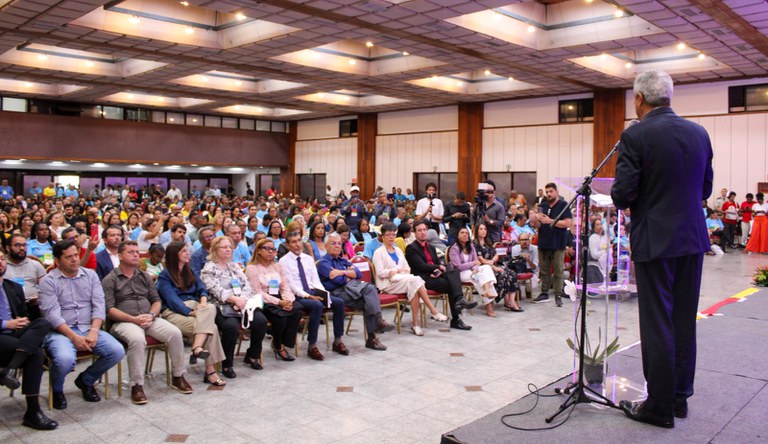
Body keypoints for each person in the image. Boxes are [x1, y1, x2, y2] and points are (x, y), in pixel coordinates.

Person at [611, 70, 713, 428]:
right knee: (683, 320)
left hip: (655, 240)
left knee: (657, 323)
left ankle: (658, 406)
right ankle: (679, 398)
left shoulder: (636, 134)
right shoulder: (699, 133)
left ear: (639, 98)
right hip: (692, 238)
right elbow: (706, 188)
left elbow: (623, 194)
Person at [38, 239, 126, 410]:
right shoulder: (49, 281)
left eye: (76, 255)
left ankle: (86, 380)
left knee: (117, 351)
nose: (74, 260)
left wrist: (94, 330)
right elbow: (52, 315)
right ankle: (57, 389)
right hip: (60, 331)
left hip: (87, 327)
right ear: (57, 261)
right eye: (68, 257)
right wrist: (73, 337)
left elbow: (99, 305)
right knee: (64, 359)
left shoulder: (90, 275)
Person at [103, 241, 192, 404]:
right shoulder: (110, 279)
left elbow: (156, 300)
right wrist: (133, 319)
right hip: (124, 321)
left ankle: (178, 375)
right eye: (131, 252)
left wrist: (151, 315)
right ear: (120, 256)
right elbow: (109, 309)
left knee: (175, 333)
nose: (136, 255)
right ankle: (136, 385)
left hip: (149, 318)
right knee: (137, 339)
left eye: (137, 252)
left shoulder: (144, 276)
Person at [0, 250, 58, 430]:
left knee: (42, 323)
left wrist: (23, 319)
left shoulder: (13, 287)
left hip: (15, 334)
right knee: (35, 353)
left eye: (1, 259)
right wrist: (6, 324)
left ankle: (10, 370)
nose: (0, 263)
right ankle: (33, 412)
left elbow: (22, 314)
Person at [157, 242, 226, 385]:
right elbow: (171, 300)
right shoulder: (165, 275)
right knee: (211, 328)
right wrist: (192, 312)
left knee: (211, 307)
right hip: (175, 311)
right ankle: (210, 371)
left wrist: (203, 301)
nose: (188, 253)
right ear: (174, 255)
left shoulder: (190, 271)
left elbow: (202, 288)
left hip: (196, 307)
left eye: (187, 250)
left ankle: (196, 348)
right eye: (183, 251)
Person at [279, 230, 348, 360]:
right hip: (298, 296)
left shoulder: (308, 259)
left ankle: (338, 340)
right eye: (293, 242)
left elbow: (315, 280)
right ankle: (312, 345)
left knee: (339, 302)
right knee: (317, 305)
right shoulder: (284, 261)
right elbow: (291, 285)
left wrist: (324, 294)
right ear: (288, 245)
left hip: (312, 291)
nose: (297, 244)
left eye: (299, 241)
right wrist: (308, 296)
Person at [201, 236, 264, 376]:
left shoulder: (234, 266)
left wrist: (243, 299)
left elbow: (247, 285)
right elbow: (215, 290)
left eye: (230, 247)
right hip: (220, 305)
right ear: (215, 249)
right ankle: (227, 363)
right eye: (224, 247)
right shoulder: (209, 268)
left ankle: (252, 355)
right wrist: (234, 299)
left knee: (261, 321)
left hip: (241, 303)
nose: (228, 249)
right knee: (231, 327)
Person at [317, 233, 391, 351]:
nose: (337, 246)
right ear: (326, 246)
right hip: (336, 293)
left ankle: (375, 329)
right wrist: (348, 275)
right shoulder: (323, 263)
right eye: (333, 243)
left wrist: (342, 272)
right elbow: (337, 281)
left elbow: (358, 273)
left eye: (339, 243)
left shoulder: (342, 260)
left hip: (350, 289)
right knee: (369, 299)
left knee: (370, 293)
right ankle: (374, 334)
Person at [373, 223, 448, 336]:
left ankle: (416, 324)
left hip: (403, 280)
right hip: (388, 284)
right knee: (415, 280)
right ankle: (433, 311)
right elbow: (380, 273)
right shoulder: (378, 252)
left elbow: (407, 269)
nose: (391, 237)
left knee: (414, 285)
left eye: (393, 234)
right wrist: (395, 270)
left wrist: (397, 271)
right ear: (383, 236)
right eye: (388, 235)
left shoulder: (398, 250)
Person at [405, 220, 478, 331]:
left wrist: (438, 270)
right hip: (422, 279)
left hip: (435, 275)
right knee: (451, 285)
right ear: (414, 233)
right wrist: (437, 268)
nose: (423, 232)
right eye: (419, 230)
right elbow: (420, 266)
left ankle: (459, 302)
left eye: (424, 230)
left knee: (454, 272)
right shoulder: (411, 248)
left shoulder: (431, 247)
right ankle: (456, 316)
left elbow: (438, 263)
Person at [245, 239, 303, 361]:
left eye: (273, 249)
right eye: (267, 248)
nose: (271, 252)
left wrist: (288, 301)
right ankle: (278, 346)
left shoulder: (277, 266)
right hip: (263, 300)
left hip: (279, 296)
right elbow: (257, 292)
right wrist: (279, 303)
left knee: (297, 311)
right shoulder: (252, 268)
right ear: (259, 251)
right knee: (280, 318)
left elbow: (284, 286)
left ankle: (283, 343)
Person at [532, 182, 571, 307]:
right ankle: (544, 293)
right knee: (544, 270)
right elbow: (538, 226)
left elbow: (567, 223)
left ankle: (558, 294)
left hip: (558, 243)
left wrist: (550, 221)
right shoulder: (542, 205)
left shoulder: (563, 205)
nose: (548, 194)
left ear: (556, 192)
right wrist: (535, 219)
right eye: (547, 192)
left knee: (558, 270)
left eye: (551, 191)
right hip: (544, 241)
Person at [449, 227, 498, 317]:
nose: (465, 234)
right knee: (478, 277)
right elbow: (458, 266)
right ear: (457, 235)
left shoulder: (471, 246)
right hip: (460, 273)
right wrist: (473, 264)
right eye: (462, 233)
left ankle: (487, 291)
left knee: (486, 267)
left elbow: (476, 261)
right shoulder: (454, 249)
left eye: (466, 233)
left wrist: (475, 268)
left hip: (471, 270)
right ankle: (488, 305)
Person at [474, 223, 522, 312]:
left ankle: (511, 301)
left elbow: (496, 254)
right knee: (503, 274)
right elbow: (480, 259)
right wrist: (492, 266)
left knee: (512, 273)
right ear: (476, 231)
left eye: (485, 229)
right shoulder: (474, 244)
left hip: (493, 263)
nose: (483, 231)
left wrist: (492, 261)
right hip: (484, 268)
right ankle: (507, 301)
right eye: (481, 229)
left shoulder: (488, 241)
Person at [510, 233, 538, 300]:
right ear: (518, 241)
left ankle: (528, 290)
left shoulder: (535, 249)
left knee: (532, 285)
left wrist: (529, 261)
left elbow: (535, 267)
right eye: (522, 240)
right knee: (513, 279)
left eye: (526, 239)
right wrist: (521, 259)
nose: (524, 242)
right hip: (519, 271)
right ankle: (517, 290)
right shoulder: (514, 249)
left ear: (529, 240)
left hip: (531, 271)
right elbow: (515, 265)